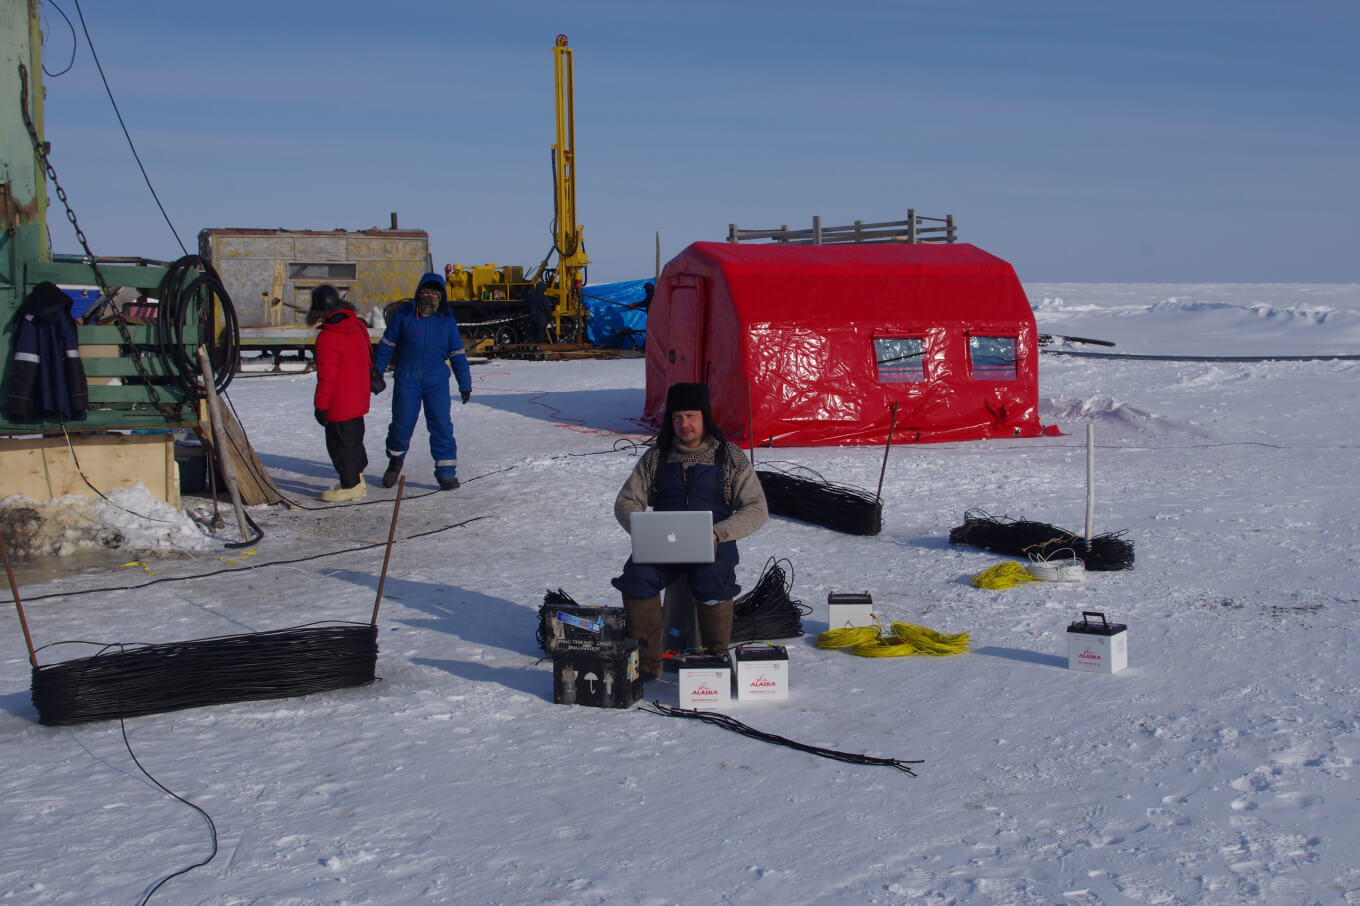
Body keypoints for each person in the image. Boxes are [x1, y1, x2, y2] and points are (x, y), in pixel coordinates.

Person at [611, 381, 768, 680]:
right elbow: (627, 501)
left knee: (712, 580)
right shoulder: (656, 458)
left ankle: (715, 660)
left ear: (705, 416)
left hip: (714, 543)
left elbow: (756, 509)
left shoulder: (729, 456)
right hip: (662, 545)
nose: (685, 423)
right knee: (636, 579)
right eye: (678, 416)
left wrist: (718, 533)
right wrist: (643, 530)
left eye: (691, 415)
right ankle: (647, 666)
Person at [372, 272, 472, 490]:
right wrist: (376, 372)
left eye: (435, 292)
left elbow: (457, 354)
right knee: (401, 425)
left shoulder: (446, 321)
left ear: (441, 296)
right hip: (407, 380)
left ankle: (446, 473)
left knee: (441, 426)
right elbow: (387, 345)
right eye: (426, 291)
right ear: (419, 292)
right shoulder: (403, 316)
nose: (430, 296)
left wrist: (465, 384)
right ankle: (395, 461)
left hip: (436, 383)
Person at [308, 285, 372, 502]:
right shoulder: (356, 325)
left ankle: (350, 485)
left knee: (339, 445)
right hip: (358, 399)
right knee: (354, 440)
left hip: (339, 403)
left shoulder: (328, 337)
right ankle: (358, 479)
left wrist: (321, 407)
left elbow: (327, 377)